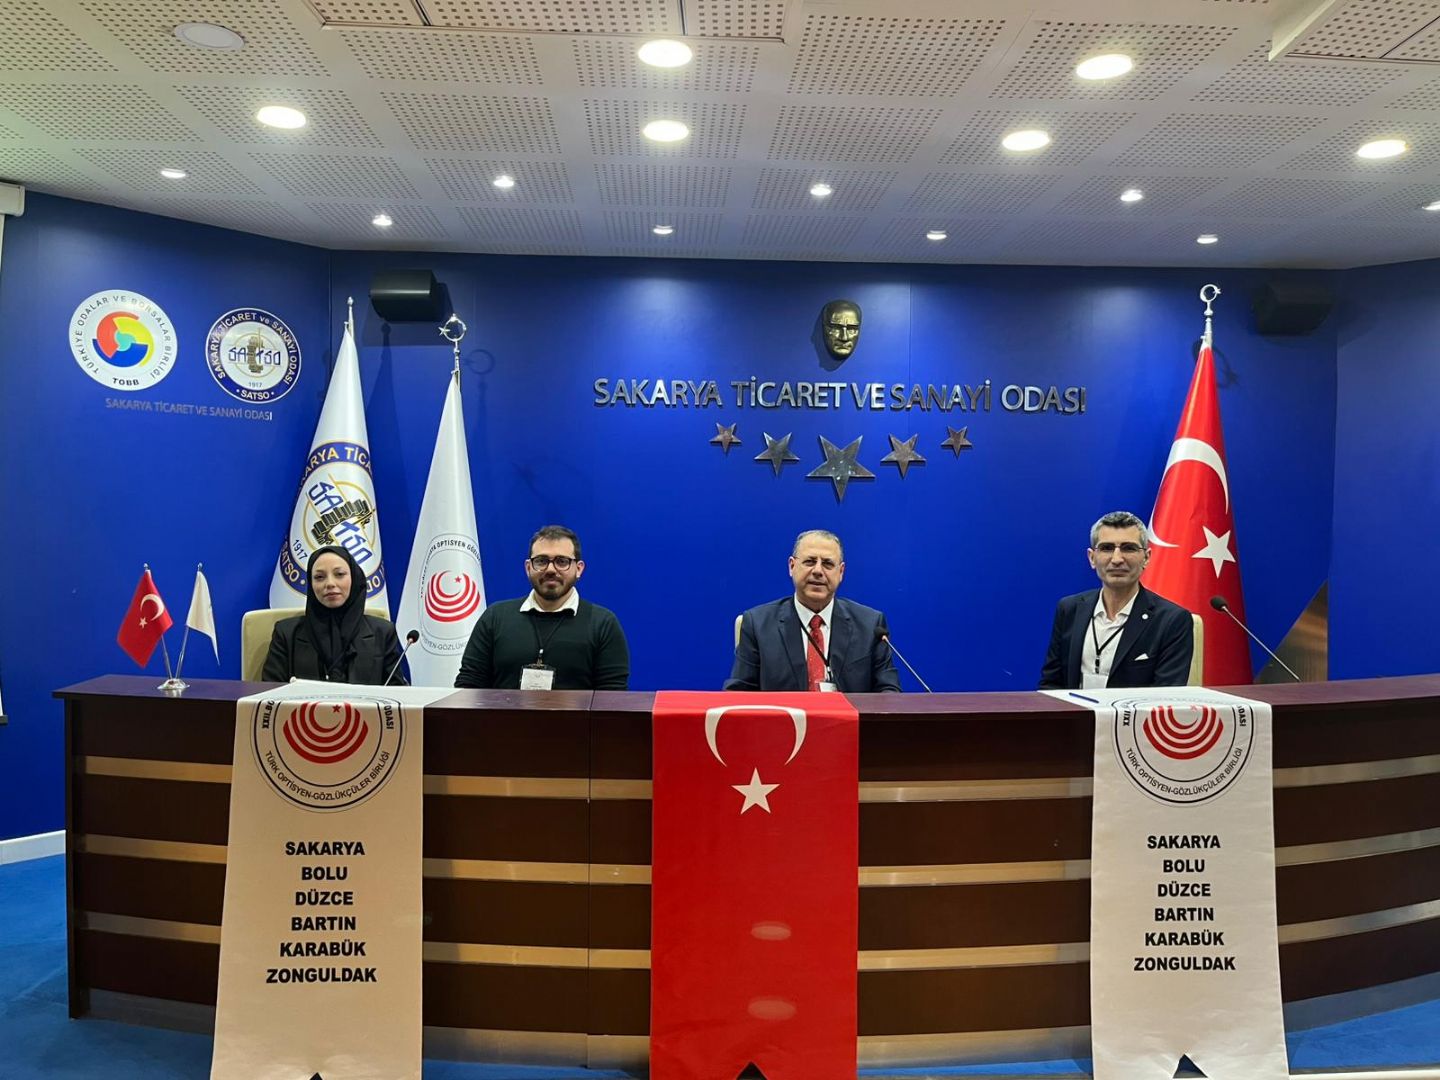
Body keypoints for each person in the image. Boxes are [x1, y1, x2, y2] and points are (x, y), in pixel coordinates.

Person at [455, 525, 629, 690]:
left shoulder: (603, 624)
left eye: (562, 561)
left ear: (579, 569)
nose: (551, 569)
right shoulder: (495, 617)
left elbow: (612, 699)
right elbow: (468, 686)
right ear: (528, 568)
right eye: (541, 561)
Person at [726, 529, 901, 693]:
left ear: (841, 572)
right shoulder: (757, 624)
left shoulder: (870, 626)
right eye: (809, 561)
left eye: (827, 564)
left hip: (851, 717)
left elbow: (889, 694)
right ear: (792, 566)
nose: (818, 571)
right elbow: (738, 694)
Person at [1038, 511, 1194, 690]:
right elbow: (1051, 685)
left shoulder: (1172, 620)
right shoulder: (1069, 609)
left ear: (1146, 558)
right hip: (1073, 709)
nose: (1117, 559)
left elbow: (1164, 697)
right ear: (1092, 558)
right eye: (1107, 548)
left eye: (1129, 548)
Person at [262, 545, 406, 684]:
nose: (330, 583)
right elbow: (269, 693)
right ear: (311, 584)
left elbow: (397, 693)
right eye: (319, 577)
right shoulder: (286, 634)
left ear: (354, 578)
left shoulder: (383, 632)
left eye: (339, 574)